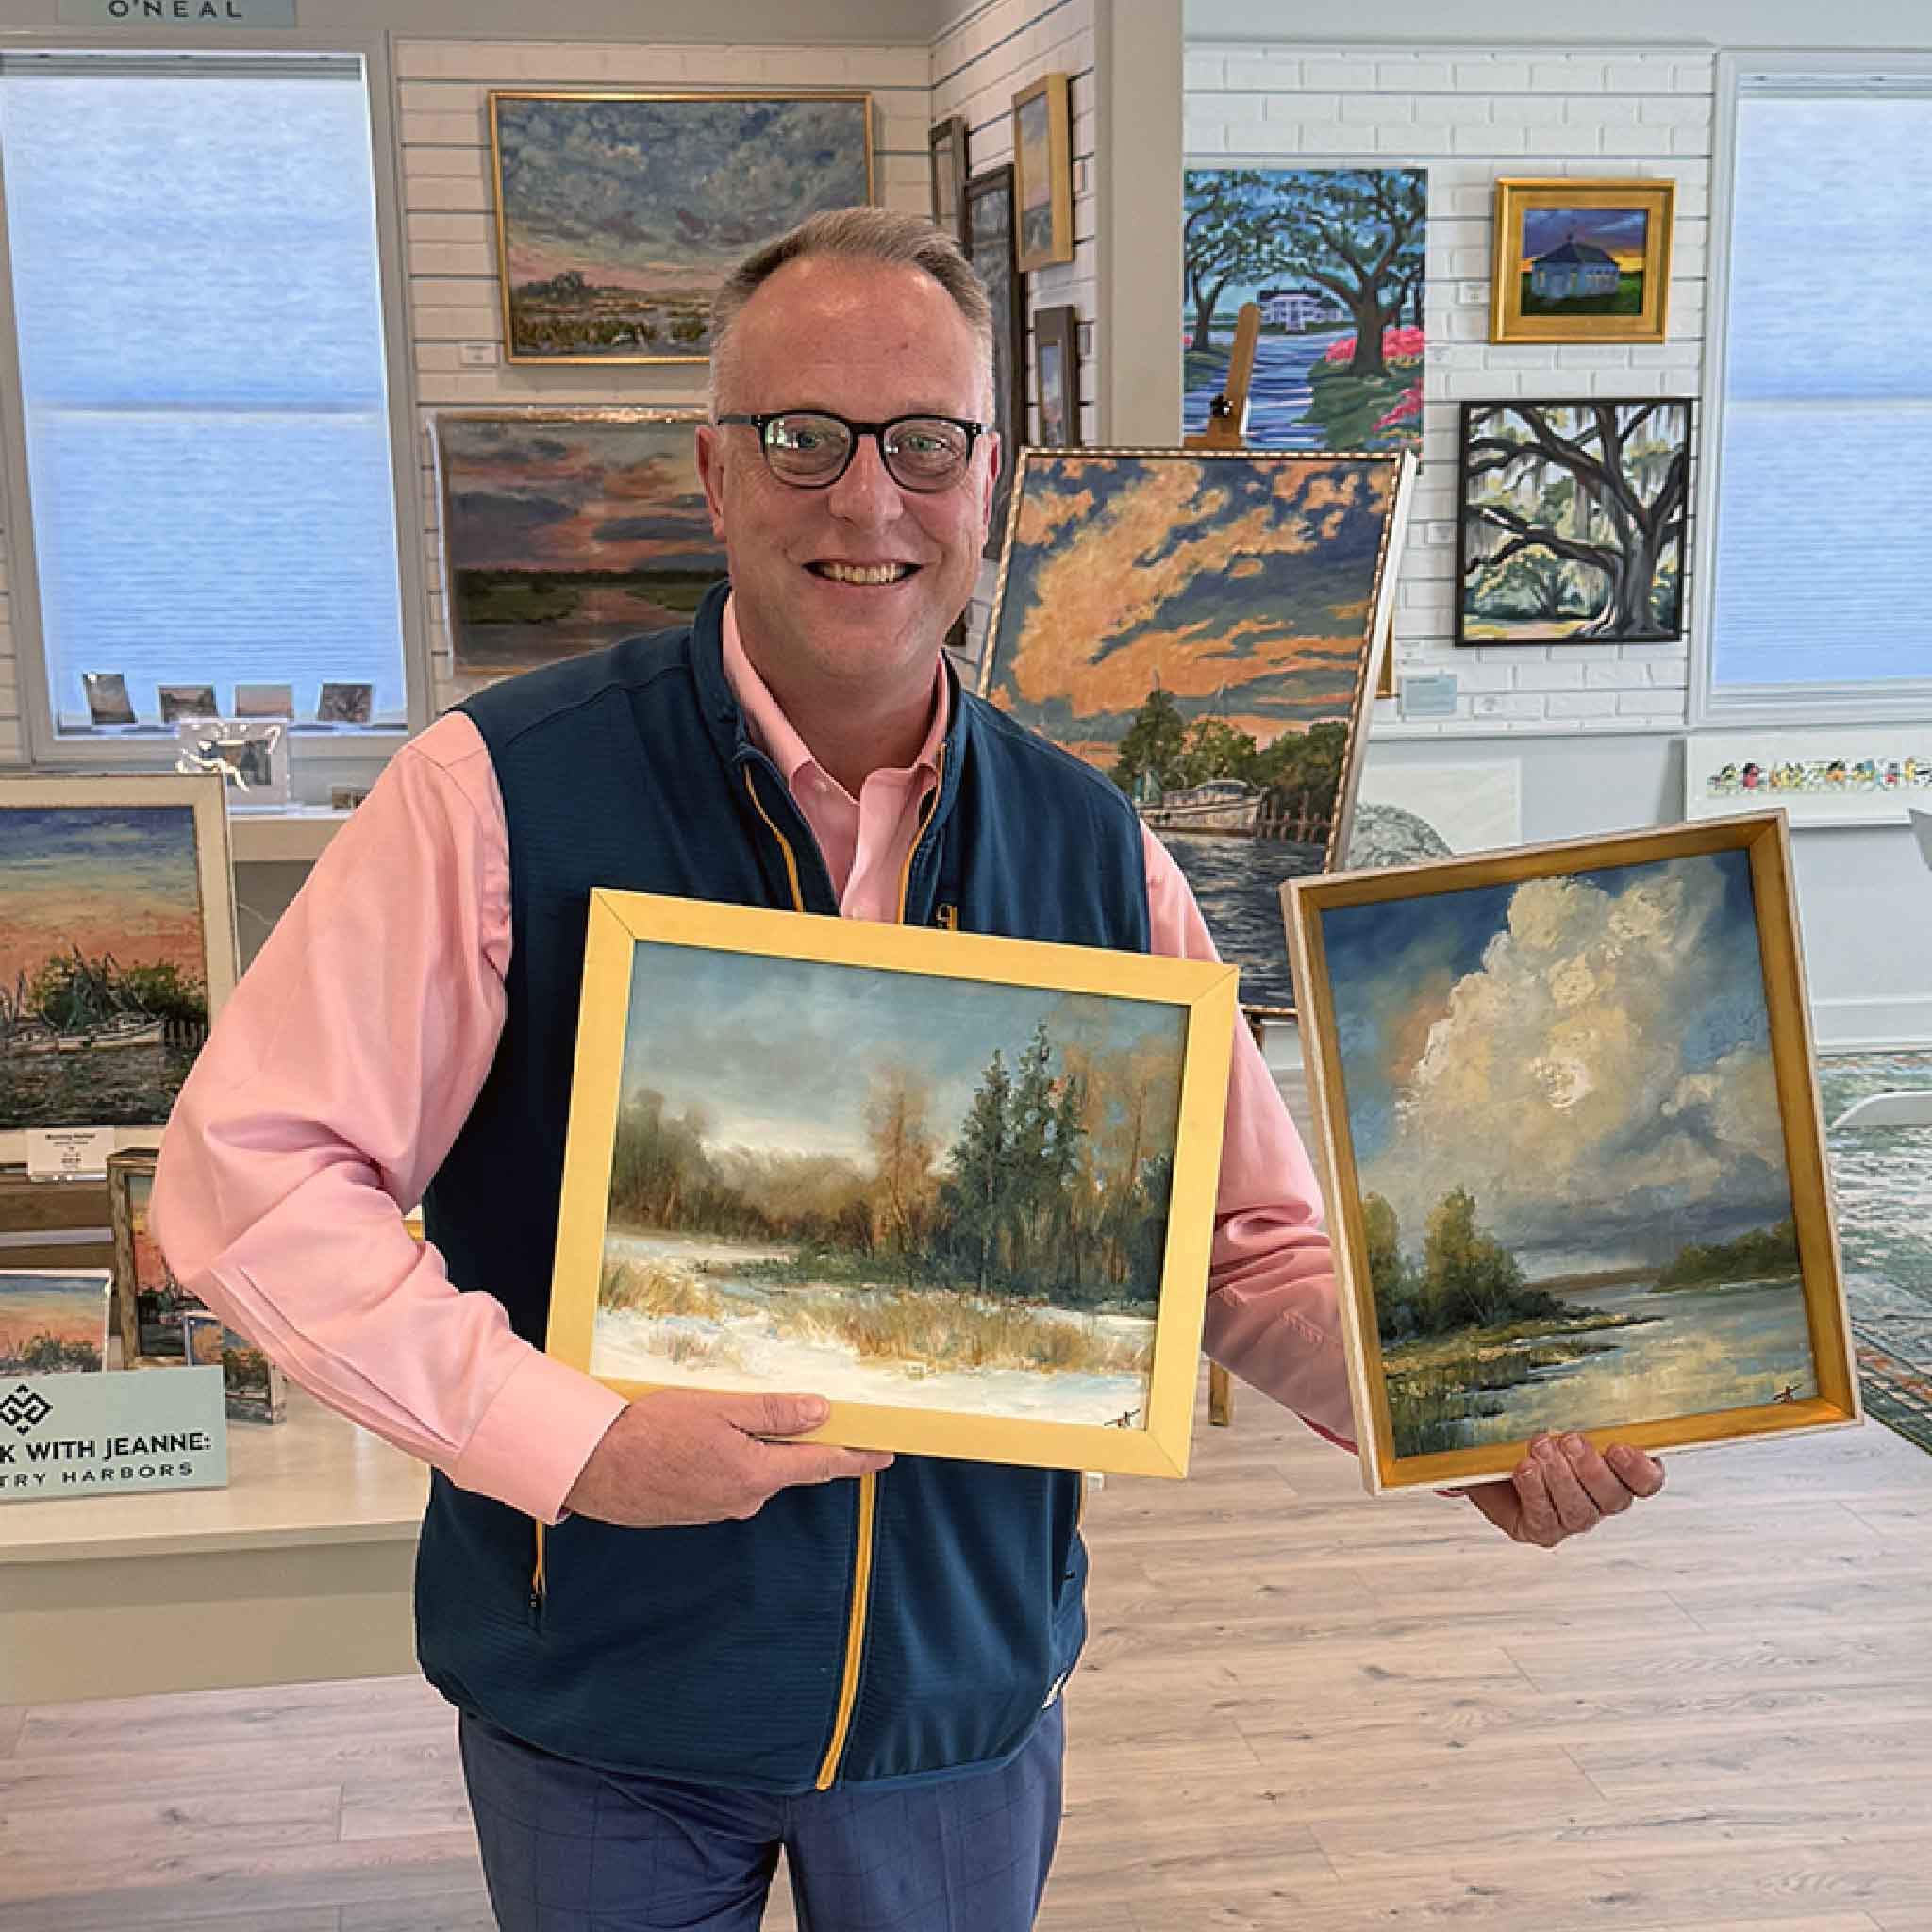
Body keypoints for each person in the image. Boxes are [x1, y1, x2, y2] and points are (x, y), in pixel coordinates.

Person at [153, 208, 1663, 1932]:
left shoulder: (1102, 851)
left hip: (960, 1698)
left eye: (925, 445)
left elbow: (1245, 1248)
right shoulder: (494, 790)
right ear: (717, 477)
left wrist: (1451, 1424)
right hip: (605, 1696)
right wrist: (566, 1439)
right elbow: (251, 1177)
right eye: (802, 438)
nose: (868, 501)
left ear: (989, 483)